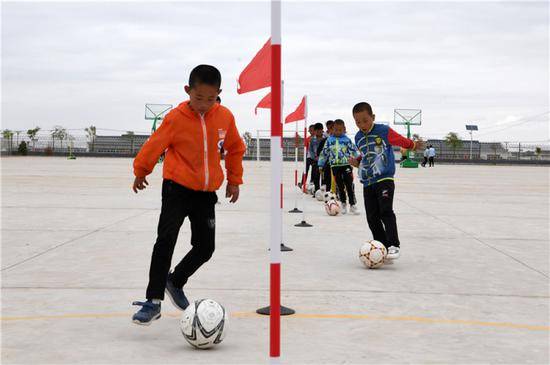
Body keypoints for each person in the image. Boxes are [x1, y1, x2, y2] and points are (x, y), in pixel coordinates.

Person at [131, 65, 246, 325]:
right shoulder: (176, 118)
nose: (204, 104)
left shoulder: (225, 117)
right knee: (166, 240)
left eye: (210, 98)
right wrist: (141, 170)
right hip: (176, 188)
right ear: (188, 91)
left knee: (206, 247)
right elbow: (155, 145)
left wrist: (234, 179)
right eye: (198, 98)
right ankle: (153, 301)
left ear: (218, 93)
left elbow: (235, 148)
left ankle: (176, 280)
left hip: (206, 192)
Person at [349, 102, 424, 261]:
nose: (362, 124)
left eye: (365, 120)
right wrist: (357, 161)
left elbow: (399, 140)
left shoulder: (383, 131)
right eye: (358, 122)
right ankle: (381, 245)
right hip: (368, 182)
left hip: (384, 179)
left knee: (385, 211)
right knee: (372, 216)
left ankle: (393, 245)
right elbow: (366, 155)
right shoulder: (358, 137)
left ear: (373, 117)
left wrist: (413, 145)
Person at [318, 119, 360, 214]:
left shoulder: (347, 140)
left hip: (346, 165)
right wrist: (320, 164)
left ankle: (353, 205)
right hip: (335, 166)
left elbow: (354, 150)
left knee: (349, 185)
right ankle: (343, 203)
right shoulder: (329, 140)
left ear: (344, 129)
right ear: (332, 129)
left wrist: (359, 160)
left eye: (340, 130)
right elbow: (324, 153)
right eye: (336, 130)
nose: (338, 132)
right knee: (340, 186)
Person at [317, 120, 335, 191]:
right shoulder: (325, 140)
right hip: (328, 163)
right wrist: (321, 164)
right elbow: (320, 152)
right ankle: (328, 194)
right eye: (330, 129)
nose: (332, 130)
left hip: (340, 164)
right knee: (327, 179)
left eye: (333, 128)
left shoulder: (344, 140)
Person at [308, 123, 324, 194]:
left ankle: (324, 191)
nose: (318, 132)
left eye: (320, 131)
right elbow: (310, 150)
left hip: (323, 161)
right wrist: (314, 157)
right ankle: (317, 191)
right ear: (315, 131)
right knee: (316, 176)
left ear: (322, 130)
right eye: (317, 131)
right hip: (315, 160)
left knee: (323, 177)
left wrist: (322, 157)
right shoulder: (312, 140)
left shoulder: (325, 139)